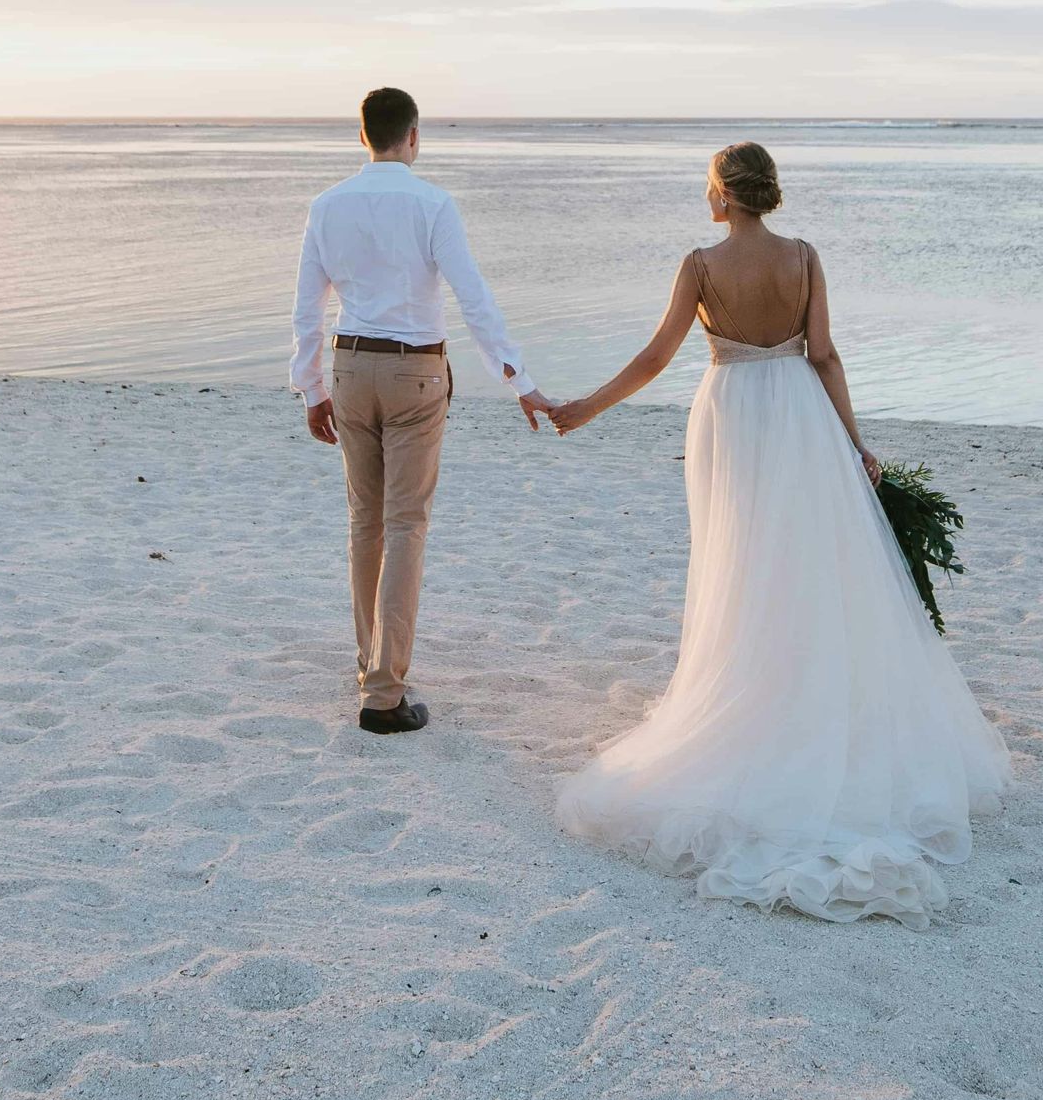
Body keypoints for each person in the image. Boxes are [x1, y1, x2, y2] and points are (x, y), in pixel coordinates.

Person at [522, 140, 1006, 919]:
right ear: (767, 192)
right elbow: (825, 356)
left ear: (721, 194)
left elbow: (655, 357)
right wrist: (854, 443)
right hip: (803, 419)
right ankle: (802, 696)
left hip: (734, 414)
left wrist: (585, 408)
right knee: (810, 563)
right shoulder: (806, 257)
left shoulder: (701, 264)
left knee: (742, 567)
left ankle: (752, 696)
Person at [289, 86, 536, 736]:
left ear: (362, 136)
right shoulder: (432, 203)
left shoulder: (327, 205)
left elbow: (306, 307)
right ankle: (384, 692)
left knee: (365, 522)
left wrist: (311, 387)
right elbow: (473, 296)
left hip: (350, 367)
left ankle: (371, 663)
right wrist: (519, 377)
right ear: (415, 135)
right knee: (403, 526)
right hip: (414, 372)